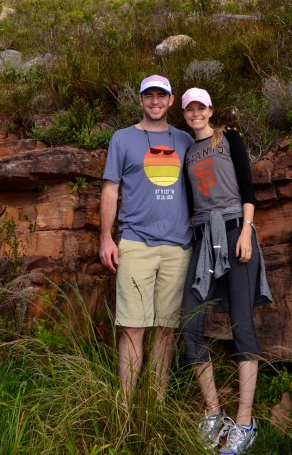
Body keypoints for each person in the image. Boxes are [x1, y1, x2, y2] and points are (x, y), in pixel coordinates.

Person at [179, 87, 272, 455]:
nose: (196, 113)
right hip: (203, 238)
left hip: (235, 231)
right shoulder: (187, 152)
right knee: (189, 320)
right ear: (184, 114)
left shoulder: (228, 138)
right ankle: (214, 412)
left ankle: (245, 422)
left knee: (241, 323)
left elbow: (248, 188)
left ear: (210, 109)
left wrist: (247, 230)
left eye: (201, 107)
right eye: (190, 109)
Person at [99, 74, 194, 402]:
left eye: (161, 95)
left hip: (177, 247)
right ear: (140, 100)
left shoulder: (185, 140)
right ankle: (124, 408)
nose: (155, 101)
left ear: (171, 101)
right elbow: (110, 189)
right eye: (148, 95)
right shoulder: (122, 139)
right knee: (133, 329)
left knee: (166, 333)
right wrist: (106, 239)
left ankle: (155, 408)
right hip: (135, 244)